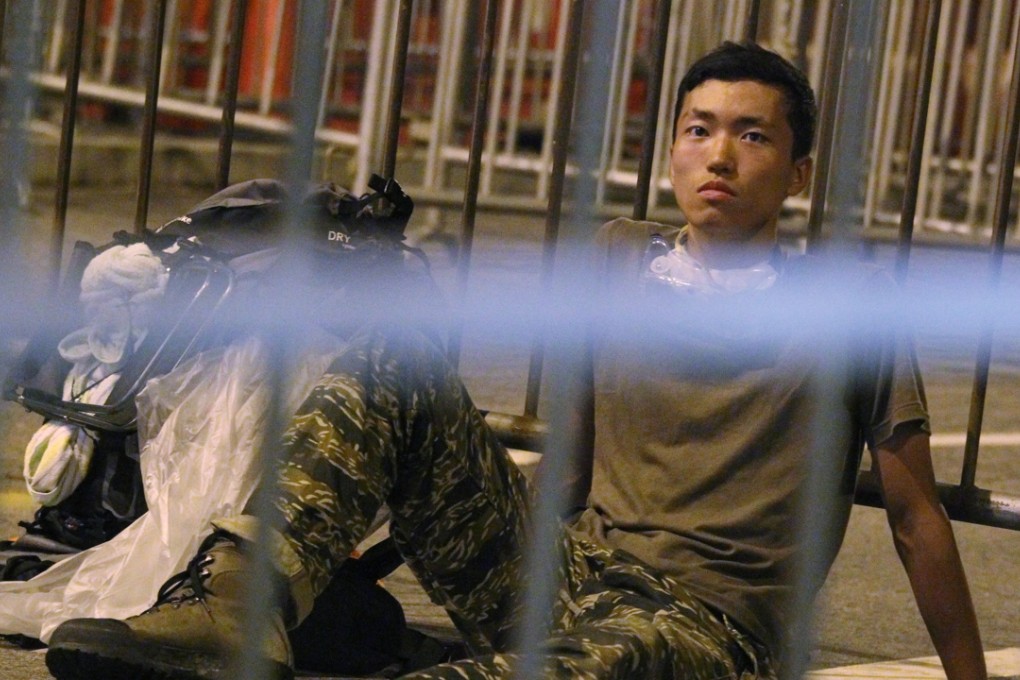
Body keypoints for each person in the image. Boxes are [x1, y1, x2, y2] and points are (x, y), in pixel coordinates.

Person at [44, 41, 986, 680]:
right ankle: (234, 614)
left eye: (754, 135)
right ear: (669, 150)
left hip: (709, 629)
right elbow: (567, 472)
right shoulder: (618, 260)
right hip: (576, 578)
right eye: (698, 129)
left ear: (800, 170)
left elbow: (914, 518)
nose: (720, 157)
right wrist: (432, 538)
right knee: (391, 371)